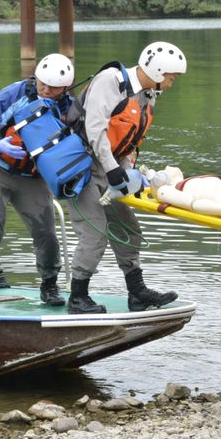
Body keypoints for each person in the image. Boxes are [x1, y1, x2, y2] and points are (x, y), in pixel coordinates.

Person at [64, 41, 185, 314]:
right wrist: (112, 169)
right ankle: (78, 297)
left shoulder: (147, 94)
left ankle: (137, 293)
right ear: (157, 71)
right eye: (171, 78)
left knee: (128, 228)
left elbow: (129, 140)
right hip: (81, 165)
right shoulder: (110, 82)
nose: (170, 84)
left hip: (110, 168)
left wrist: (128, 170)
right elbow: (95, 129)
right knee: (95, 233)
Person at [0, 53, 74, 314]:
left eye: (54, 88)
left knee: (46, 232)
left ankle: (49, 285)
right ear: (35, 78)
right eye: (42, 84)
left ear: (66, 88)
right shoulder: (14, 94)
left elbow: (74, 145)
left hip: (32, 177)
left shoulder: (70, 108)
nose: (47, 91)